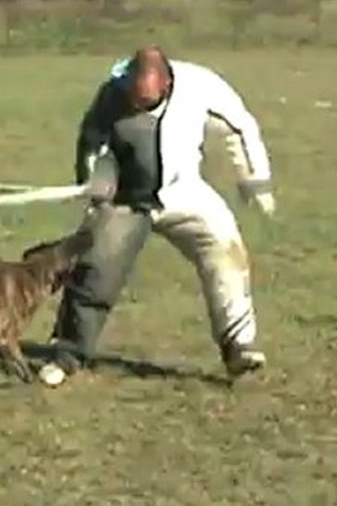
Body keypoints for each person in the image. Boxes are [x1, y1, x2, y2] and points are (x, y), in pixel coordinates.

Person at [37, 45, 276, 388]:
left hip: (185, 192)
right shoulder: (111, 93)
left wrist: (255, 181)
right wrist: (94, 181)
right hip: (126, 199)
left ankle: (239, 345)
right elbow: (92, 141)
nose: (135, 106)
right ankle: (67, 353)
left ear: (166, 85)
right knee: (95, 267)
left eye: (145, 101)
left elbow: (240, 127)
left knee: (226, 250)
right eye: (133, 99)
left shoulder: (201, 86)